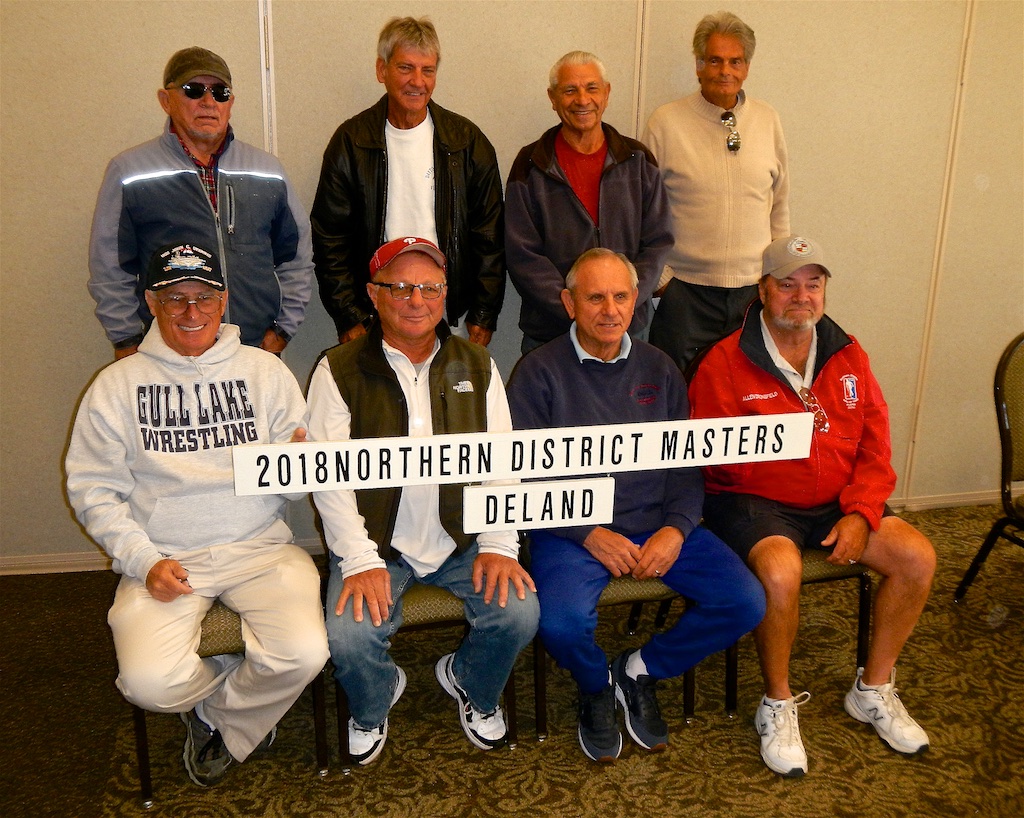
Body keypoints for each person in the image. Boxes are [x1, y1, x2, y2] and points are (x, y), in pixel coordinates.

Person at [66, 243, 329, 787]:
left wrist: (303, 463)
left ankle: (218, 718)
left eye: (204, 297)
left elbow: (297, 478)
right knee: (148, 685)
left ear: (223, 301)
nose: (191, 311)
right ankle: (245, 697)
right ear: (152, 303)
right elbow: (94, 491)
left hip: (261, 548)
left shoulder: (266, 371)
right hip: (165, 559)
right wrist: (143, 561)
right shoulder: (116, 386)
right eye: (175, 298)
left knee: (305, 654)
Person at [688, 235, 936, 777]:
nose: (801, 296)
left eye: (813, 284)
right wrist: (766, 451)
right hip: (754, 500)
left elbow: (875, 443)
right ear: (762, 291)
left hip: (838, 500)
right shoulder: (724, 361)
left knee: (917, 558)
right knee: (781, 573)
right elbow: (710, 463)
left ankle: (873, 688)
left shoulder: (849, 353)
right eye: (787, 284)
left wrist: (862, 511)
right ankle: (777, 701)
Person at [506, 248, 765, 762]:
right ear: (569, 303)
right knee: (558, 624)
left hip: (656, 523)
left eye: (621, 296)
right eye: (595, 298)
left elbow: (686, 465)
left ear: (636, 301)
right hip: (571, 531)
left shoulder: (660, 368)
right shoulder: (536, 373)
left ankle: (639, 669)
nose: (610, 310)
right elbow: (523, 474)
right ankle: (596, 686)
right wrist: (587, 534)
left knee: (745, 601)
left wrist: (676, 528)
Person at [306, 237, 539, 766]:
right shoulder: (337, 369)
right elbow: (328, 478)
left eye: (430, 288)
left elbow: (502, 462)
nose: (417, 300)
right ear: (374, 295)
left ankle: (470, 683)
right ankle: (374, 703)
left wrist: (499, 543)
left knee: (519, 614)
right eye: (401, 287)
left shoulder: (477, 364)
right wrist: (359, 560)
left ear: (445, 294)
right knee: (350, 638)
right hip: (377, 545)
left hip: (460, 538)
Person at [88, 47, 314, 359]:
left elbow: (296, 259)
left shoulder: (268, 171)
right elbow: (110, 268)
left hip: (253, 350)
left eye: (220, 92)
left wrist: (283, 329)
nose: (209, 102)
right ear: (166, 100)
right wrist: (125, 340)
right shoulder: (130, 172)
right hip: (168, 355)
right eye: (194, 90)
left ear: (230, 103)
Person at [311, 17, 505, 348]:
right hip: (374, 314)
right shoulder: (351, 142)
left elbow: (489, 237)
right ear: (381, 70)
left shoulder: (467, 143)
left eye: (427, 70)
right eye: (405, 68)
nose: (418, 81)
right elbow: (330, 239)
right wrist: (348, 316)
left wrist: (484, 314)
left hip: (450, 313)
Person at [643, 11, 789, 371]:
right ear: (698, 65)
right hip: (684, 295)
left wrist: (778, 278)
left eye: (735, 61)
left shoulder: (768, 120)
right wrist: (663, 285)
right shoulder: (665, 122)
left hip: (752, 295)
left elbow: (779, 206)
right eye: (714, 60)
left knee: (746, 395)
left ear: (747, 67)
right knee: (678, 395)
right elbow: (642, 211)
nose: (725, 70)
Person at [506, 52, 673, 354]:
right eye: (570, 90)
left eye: (592, 88)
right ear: (553, 98)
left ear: (606, 93)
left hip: (627, 331)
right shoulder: (530, 165)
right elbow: (522, 253)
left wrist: (621, 304)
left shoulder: (637, 160)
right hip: (551, 334)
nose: (582, 100)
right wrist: (575, 307)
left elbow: (658, 242)